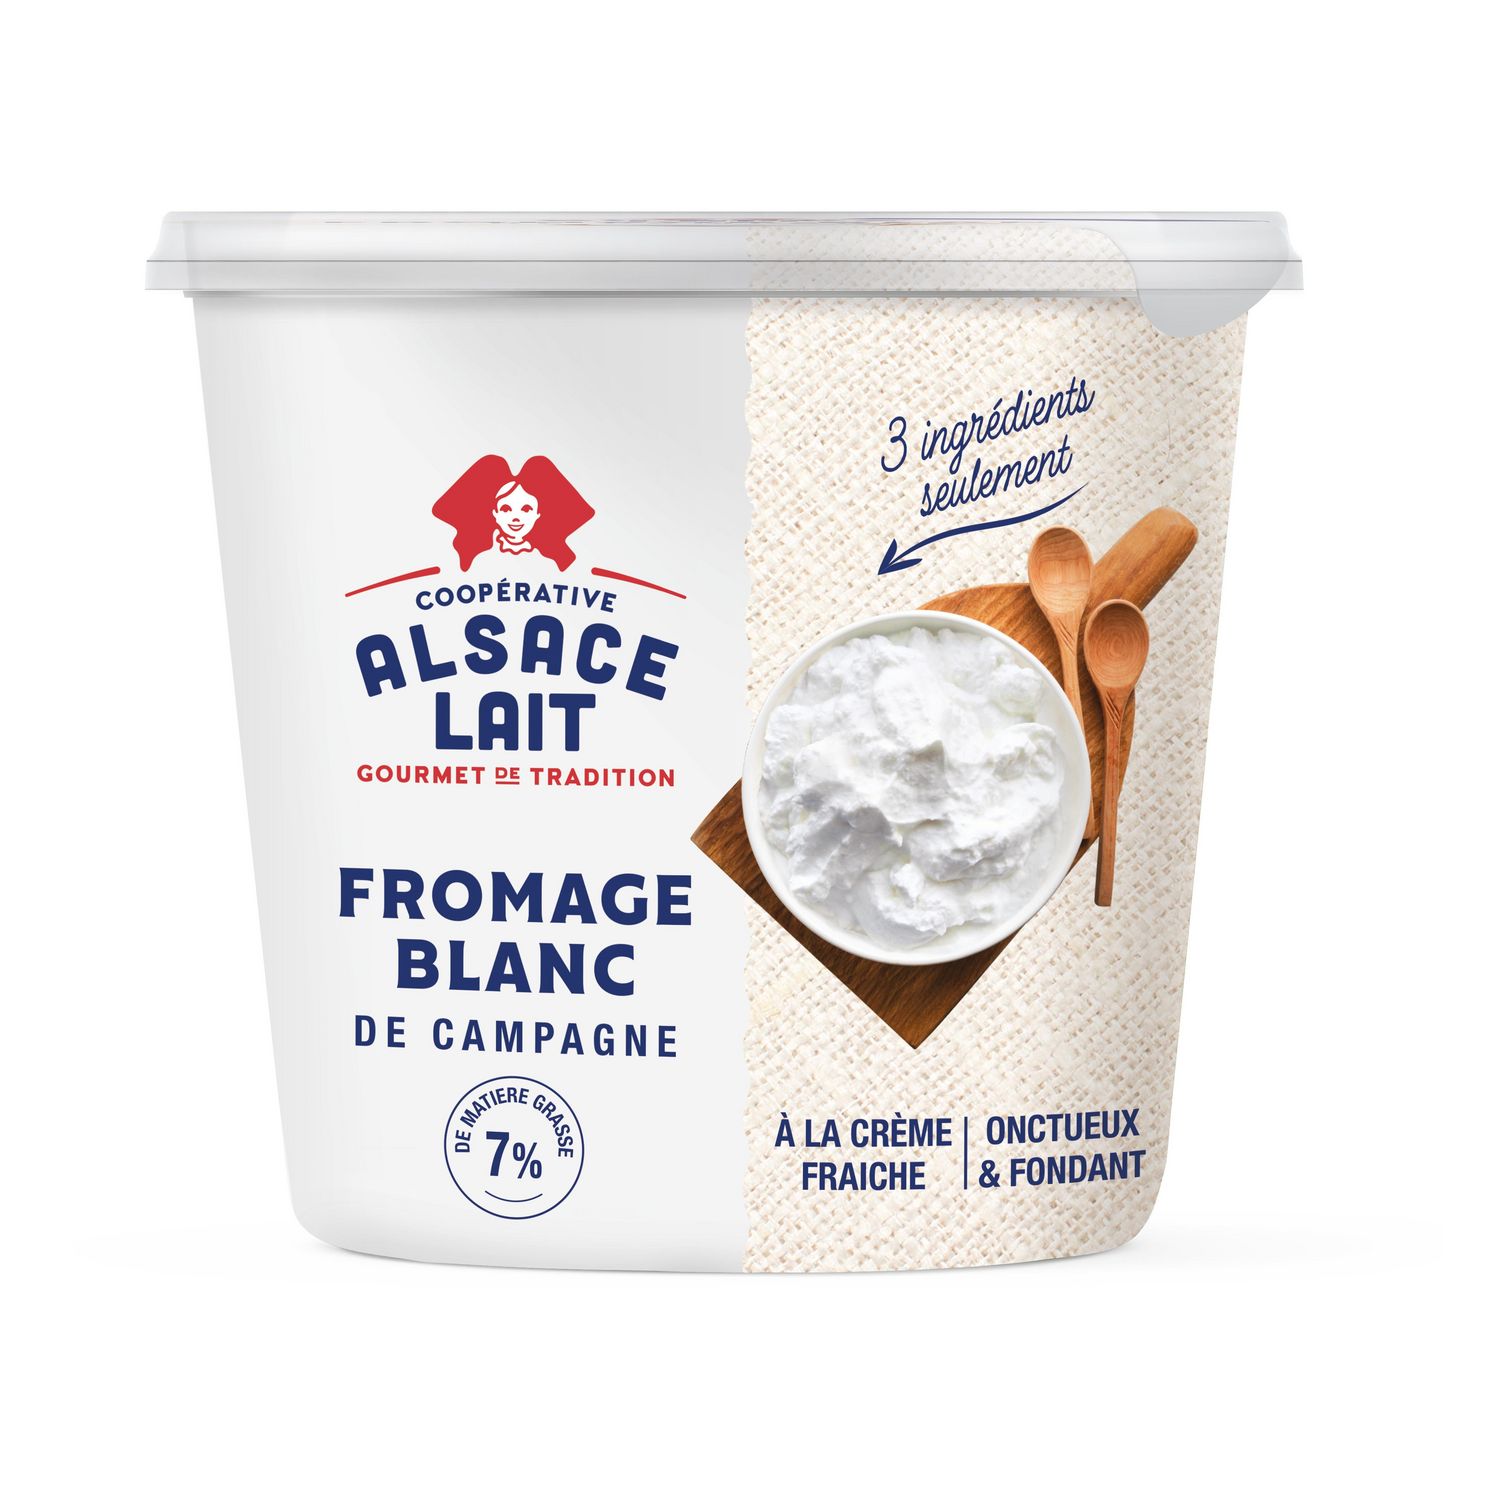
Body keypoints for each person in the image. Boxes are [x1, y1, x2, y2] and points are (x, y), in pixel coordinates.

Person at [432, 454, 595, 572]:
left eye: (526, 509)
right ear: (494, 513)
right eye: (506, 509)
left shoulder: (547, 563)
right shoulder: (483, 559)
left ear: (538, 514)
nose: (516, 518)